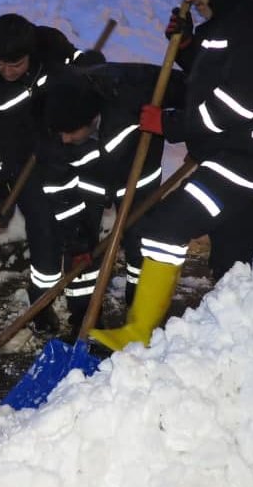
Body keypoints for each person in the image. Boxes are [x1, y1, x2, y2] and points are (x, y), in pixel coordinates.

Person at [89, 0, 253, 351]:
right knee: (234, 263)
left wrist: (168, 124)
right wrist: (187, 49)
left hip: (241, 163)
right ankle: (240, 338)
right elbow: (212, 79)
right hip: (237, 159)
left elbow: (232, 107)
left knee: (164, 228)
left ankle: (139, 332)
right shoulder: (232, 21)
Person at [0, 13, 102, 326]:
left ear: (31, 55)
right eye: (1, 64)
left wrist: (88, 63)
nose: (7, 72)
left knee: (45, 223)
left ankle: (41, 300)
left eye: (16, 65)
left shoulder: (50, 48)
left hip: (37, 152)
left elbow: (74, 59)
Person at [40, 62, 183, 332]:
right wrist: (78, 238)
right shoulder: (54, 129)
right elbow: (60, 190)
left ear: (92, 119)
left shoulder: (132, 88)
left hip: (137, 177)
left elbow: (194, 93)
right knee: (79, 252)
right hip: (89, 183)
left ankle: (140, 316)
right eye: (61, 133)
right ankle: (83, 322)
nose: (65, 139)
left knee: (141, 244)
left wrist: (177, 127)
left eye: (71, 132)